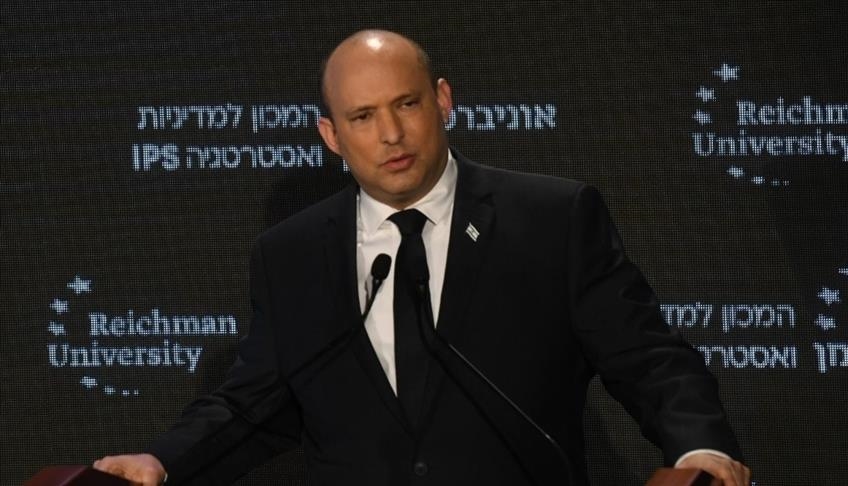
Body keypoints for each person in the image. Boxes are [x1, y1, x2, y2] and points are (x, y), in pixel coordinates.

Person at [94, 30, 750, 486]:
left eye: (406, 104)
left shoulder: (552, 219)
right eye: (362, 117)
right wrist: (163, 461)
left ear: (442, 99)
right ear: (331, 135)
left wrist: (699, 448)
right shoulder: (290, 253)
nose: (390, 134)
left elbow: (650, 360)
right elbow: (251, 402)